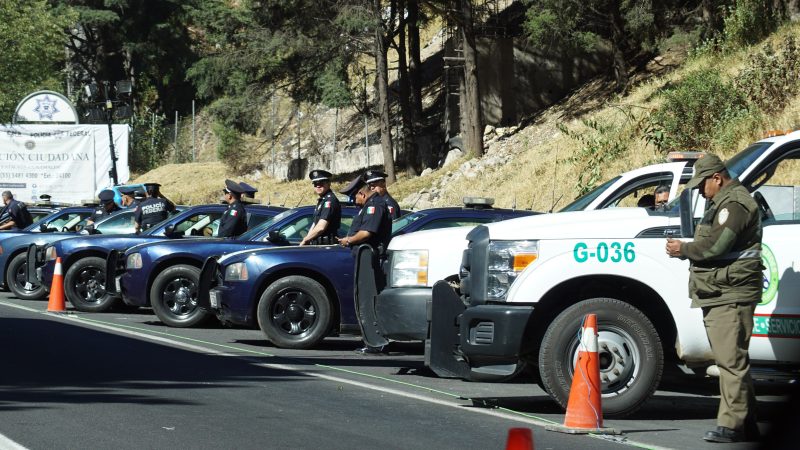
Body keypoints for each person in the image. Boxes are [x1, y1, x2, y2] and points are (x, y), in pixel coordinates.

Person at [665, 154, 762, 443]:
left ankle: (731, 426)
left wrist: (684, 248)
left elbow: (717, 245)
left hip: (730, 293)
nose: (699, 191)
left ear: (717, 178)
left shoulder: (735, 204)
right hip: (722, 291)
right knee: (731, 359)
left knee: (730, 362)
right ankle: (747, 423)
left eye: (701, 185)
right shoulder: (723, 202)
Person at [339, 174, 392, 355]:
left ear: (361, 194)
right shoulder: (370, 205)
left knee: (371, 301)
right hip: (365, 260)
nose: (354, 201)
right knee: (365, 299)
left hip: (372, 260)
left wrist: (348, 240)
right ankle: (371, 341)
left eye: (354, 197)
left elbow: (367, 233)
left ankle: (376, 342)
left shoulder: (375, 206)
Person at [300, 169, 341, 245]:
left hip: (327, 246)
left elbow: (321, 227)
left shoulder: (329, 201)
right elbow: (315, 224)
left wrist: (305, 240)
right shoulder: (322, 200)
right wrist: (308, 239)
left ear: (329, 183)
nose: (318, 185)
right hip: (319, 244)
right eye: (315, 183)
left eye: (321, 183)